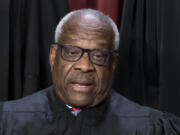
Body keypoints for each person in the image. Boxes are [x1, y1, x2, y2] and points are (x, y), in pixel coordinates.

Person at [0, 9, 180, 135]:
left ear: (113, 63)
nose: (85, 66)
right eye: (71, 52)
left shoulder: (149, 127)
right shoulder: (8, 121)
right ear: (53, 56)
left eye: (99, 55)